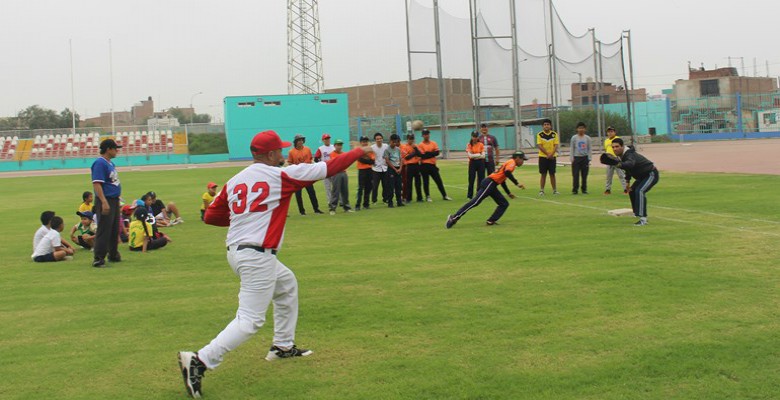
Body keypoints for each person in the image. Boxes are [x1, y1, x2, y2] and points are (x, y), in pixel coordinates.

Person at [177, 130, 372, 398]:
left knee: (287, 284)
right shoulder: (279, 175)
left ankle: (282, 346)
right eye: (278, 151)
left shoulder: (235, 180)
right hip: (257, 255)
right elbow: (329, 167)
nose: (282, 154)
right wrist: (359, 152)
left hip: (238, 252)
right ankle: (200, 360)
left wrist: (243, 219)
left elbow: (211, 216)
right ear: (269, 154)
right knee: (250, 321)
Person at [445, 151, 528, 228]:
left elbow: (502, 180)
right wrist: (517, 183)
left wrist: (508, 193)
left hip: (492, 184)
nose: (523, 162)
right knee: (475, 202)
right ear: (517, 158)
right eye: (522, 159)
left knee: (504, 203)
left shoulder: (510, 163)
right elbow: (507, 173)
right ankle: (454, 217)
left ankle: (491, 220)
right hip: (489, 183)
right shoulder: (512, 163)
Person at [605, 138, 660, 226]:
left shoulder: (629, 154)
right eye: (613, 147)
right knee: (631, 191)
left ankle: (643, 219)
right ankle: (636, 213)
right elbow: (628, 169)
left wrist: (619, 164)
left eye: (617, 146)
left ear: (622, 146)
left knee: (640, 191)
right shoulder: (621, 155)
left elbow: (630, 164)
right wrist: (627, 182)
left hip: (651, 174)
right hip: (642, 176)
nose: (615, 149)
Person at [91, 138, 123, 268]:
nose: (117, 151)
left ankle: (113, 254)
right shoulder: (100, 163)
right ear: (108, 149)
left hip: (113, 200)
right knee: (104, 229)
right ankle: (98, 258)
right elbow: (97, 184)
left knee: (114, 229)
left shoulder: (110, 164)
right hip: (106, 199)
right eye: (115, 148)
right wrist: (104, 201)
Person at [287, 134, 324, 215]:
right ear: (295, 142)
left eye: (301, 140)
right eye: (299, 140)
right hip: (297, 176)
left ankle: (316, 209)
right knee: (298, 194)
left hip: (307, 175)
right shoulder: (291, 152)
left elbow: (310, 160)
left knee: (312, 192)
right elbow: (290, 163)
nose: (300, 142)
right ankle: (302, 211)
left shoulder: (307, 149)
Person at [417, 129, 452, 202]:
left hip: (433, 165)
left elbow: (437, 153)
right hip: (424, 165)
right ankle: (427, 196)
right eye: (425, 134)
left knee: (438, 181)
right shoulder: (420, 145)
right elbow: (422, 155)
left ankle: (444, 195)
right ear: (423, 135)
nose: (426, 135)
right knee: (426, 182)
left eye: (427, 134)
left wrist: (428, 153)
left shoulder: (433, 143)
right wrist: (431, 153)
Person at [327, 139, 354, 214]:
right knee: (336, 191)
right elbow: (337, 164)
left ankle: (346, 207)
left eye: (340, 145)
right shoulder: (332, 154)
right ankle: (332, 208)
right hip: (336, 173)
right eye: (338, 145)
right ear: (335, 146)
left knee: (345, 191)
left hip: (343, 172)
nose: (339, 146)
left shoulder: (344, 153)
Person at [536, 118, 560, 196]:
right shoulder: (540, 135)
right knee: (543, 174)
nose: (546, 126)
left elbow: (556, 145)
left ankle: (555, 190)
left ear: (550, 126)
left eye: (548, 124)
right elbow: (540, 146)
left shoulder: (554, 134)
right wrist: (547, 154)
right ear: (542, 126)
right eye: (545, 125)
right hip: (543, 157)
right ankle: (542, 190)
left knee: (552, 174)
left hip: (552, 157)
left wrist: (551, 154)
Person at [603, 126, 628, 195]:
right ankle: (608, 189)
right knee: (608, 176)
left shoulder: (617, 139)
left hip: (616, 158)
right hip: (609, 160)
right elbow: (606, 149)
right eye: (608, 132)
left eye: (611, 131)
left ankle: (626, 189)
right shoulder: (606, 141)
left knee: (621, 174)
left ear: (614, 132)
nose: (610, 133)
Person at [570, 122, 592, 195]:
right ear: (577, 129)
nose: (581, 129)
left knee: (584, 175)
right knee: (575, 175)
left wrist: (589, 158)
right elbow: (572, 148)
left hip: (585, 158)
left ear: (585, 129)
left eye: (582, 128)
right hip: (576, 158)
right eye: (579, 128)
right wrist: (572, 158)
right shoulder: (574, 138)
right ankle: (575, 189)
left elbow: (589, 148)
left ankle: (584, 189)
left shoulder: (587, 138)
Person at [400, 133, 423, 203]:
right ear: (407, 139)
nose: (411, 140)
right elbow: (407, 157)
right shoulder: (404, 147)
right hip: (409, 166)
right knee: (409, 183)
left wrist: (415, 149)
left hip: (416, 165)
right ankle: (408, 198)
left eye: (412, 139)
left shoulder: (416, 146)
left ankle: (419, 198)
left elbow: (420, 154)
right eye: (410, 139)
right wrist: (414, 153)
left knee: (418, 183)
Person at [314, 133, 335, 205]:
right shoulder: (321, 148)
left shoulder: (333, 147)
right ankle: (330, 202)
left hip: (333, 168)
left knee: (336, 186)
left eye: (328, 138)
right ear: (323, 140)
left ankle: (337, 200)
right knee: (328, 187)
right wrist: (321, 164)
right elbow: (316, 158)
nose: (327, 140)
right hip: (325, 170)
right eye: (326, 139)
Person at [384, 134, 404, 207]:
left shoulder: (398, 149)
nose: (394, 144)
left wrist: (400, 168)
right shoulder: (387, 150)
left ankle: (399, 202)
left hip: (398, 169)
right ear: (390, 141)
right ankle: (390, 202)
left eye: (396, 142)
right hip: (391, 170)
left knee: (398, 186)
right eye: (393, 142)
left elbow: (401, 159)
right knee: (391, 187)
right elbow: (387, 161)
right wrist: (395, 169)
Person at [355, 136, 374, 210]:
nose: (365, 143)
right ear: (360, 143)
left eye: (366, 141)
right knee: (360, 188)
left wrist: (365, 158)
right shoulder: (358, 150)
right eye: (363, 141)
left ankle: (366, 204)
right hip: (362, 170)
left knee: (368, 187)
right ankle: (358, 205)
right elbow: (360, 159)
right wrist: (367, 159)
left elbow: (372, 161)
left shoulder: (370, 150)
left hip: (369, 170)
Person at [466, 131, 486, 199]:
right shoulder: (469, 145)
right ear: (471, 136)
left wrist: (475, 155)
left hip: (480, 163)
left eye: (476, 136)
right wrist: (478, 154)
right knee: (471, 179)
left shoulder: (481, 144)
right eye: (473, 136)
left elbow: (483, 156)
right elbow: (470, 156)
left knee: (481, 179)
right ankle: (469, 195)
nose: (475, 138)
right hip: (472, 163)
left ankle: (480, 194)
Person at [370, 132, 389, 204]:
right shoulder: (372, 147)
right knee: (375, 186)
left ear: (382, 139)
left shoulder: (386, 146)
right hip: (376, 169)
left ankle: (385, 199)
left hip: (384, 168)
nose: (379, 140)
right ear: (375, 140)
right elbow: (369, 156)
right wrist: (372, 162)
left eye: (380, 138)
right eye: (377, 139)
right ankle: (374, 200)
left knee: (385, 185)